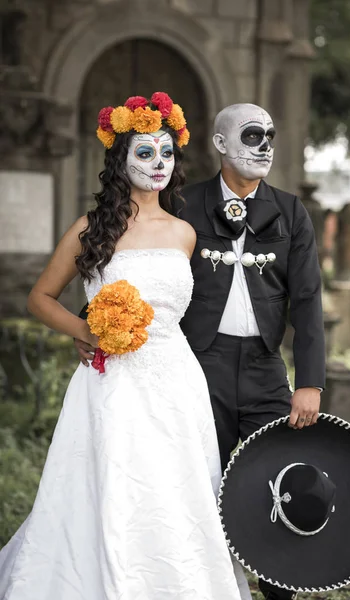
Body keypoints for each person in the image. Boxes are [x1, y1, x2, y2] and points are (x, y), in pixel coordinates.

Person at [0, 93, 251, 600]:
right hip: (111, 379)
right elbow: (39, 297)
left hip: (175, 379)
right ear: (120, 159)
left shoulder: (185, 234)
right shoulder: (92, 230)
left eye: (166, 152)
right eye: (144, 153)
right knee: (114, 483)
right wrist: (85, 330)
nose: (158, 163)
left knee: (175, 488)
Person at [75, 102, 326, 600]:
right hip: (196, 367)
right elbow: (138, 268)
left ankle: (278, 591)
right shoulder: (183, 204)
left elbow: (308, 299)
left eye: (271, 135)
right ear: (220, 144)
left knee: (277, 477)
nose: (265, 146)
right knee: (194, 481)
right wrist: (101, 326)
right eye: (253, 135)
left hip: (264, 367)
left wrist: (311, 383)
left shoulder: (291, 211)